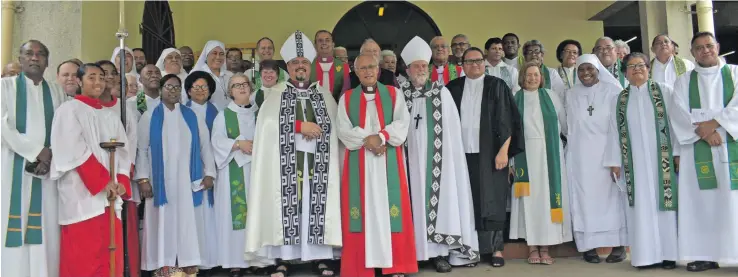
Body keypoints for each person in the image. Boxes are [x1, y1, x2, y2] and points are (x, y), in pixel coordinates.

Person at [245, 31, 341, 277]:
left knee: (314, 206)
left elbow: (335, 125)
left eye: (304, 62)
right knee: (288, 208)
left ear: (310, 66)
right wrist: (300, 127)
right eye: (295, 62)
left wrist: (317, 129)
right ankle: (284, 259)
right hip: (285, 167)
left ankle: (320, 258)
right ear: (287, 67)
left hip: (317, 164)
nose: (300, 66)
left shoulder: (324, 94)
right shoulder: (275, 94)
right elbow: (267, 127)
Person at [398, 36, 480, 272]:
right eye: (416, 66)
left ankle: (438, 254)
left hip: (439, 164)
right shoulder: (398, 94)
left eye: (424, 65)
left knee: (440, 204)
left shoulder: (441, 93)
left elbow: (453, 132)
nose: (421, 69)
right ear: (407, 69)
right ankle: (410, 254)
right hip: (407, 161)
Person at [338, 53, 416, 277]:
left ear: (379, 70)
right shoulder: (347, 98)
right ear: (356, 72)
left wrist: (381, 137)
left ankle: (395, 266)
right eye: (362, 68)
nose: (368, 71)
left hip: (388, 162)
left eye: (371, 66)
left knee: (390, 210)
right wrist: (369, 140)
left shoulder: (393, 94)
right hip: (360, 165)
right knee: (363, 211)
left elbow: (402, 123)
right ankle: (361, 267)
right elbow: (343, 130)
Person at [49, 63, 131, 277]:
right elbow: (73, 150)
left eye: (101, 78)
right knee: (84, 255)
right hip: (82, 195)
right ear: (79, 81)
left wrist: (120, 182)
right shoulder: (68, 110)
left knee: (110, 252)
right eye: (91, 77)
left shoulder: (111, 116)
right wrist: (103, 182)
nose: (98, 82)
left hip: (110, 196)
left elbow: (124, 151)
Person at [446, 47, 524, 268]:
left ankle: (497, 250)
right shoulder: (453, 88)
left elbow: (507, 120)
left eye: (479, 61)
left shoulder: (496, 85)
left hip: (492, 154)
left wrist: (504, 152)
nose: (475, 65)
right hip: (461, 155)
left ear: (484, 63)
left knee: (494, 200)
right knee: (468, 201)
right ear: (462, 65)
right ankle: (471, 250)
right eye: (469, 62)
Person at [603, 52, 680, 269]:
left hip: (660, 162)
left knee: (664, 207)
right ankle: (645, 256)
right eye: (632, 66)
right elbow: (613, 132)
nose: (637, 69)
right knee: (639, 209)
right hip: (634, 163)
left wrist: (677, 154)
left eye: (641, 65)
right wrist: (615, 161)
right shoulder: (619, 99)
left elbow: (676, 125)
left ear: (648, 68)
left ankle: (668, 255)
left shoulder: (664, 92)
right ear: (625, 72)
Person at [670, 32, 738, 272]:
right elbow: (677, 113)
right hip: (698, 150)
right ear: (692, 52)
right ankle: (705, 254)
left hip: (731, 147)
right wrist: (708, 133)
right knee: (702, 203)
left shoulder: (735, 73)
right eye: (699, 48)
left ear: (717, 47)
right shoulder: (683, 81)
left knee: (734, 202)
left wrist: (716, 125)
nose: (705, 50)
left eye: (709, 46)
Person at [136, 74, 216, 276]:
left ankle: (188, 262)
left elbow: (205, 146)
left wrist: (209, 173)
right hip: (159, 181)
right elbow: (142, 150)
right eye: (169, 87)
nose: (173, 91)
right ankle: (164, 263)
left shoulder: (191, 115)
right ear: (161, 89)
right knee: (162, 221)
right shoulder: (149, 116)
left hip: (187, 180)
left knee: (188, 220)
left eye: (176, 87)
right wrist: (143, 178)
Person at [1, 39, 66, 277]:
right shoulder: (4, 87)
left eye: (40, 54)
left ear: (47, 61)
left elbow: (63, 127)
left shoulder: (57, 90)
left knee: (47, 226)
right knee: (12, 221)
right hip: (12, 168)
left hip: (47, 173)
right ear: (20, 59)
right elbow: (3, 126)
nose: (35, 58)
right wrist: (37, 151)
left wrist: (49, 156)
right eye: (29, 53)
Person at [565, 54, 627, 264]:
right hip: (580, 157)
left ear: (598, 69)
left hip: (607, 155)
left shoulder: (613, 91)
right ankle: (588, 245)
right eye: (581, 70)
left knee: (612, 200)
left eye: (589, 69)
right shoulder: (571, 94)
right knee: (583, 201)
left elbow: (619, 127)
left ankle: (618, 245)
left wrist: (616, 158)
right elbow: (567, 126)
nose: (585, 73)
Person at [509, 62, 572, 265]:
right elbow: (510, 131)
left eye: (536, 74)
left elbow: (564, 125)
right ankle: (532, 247)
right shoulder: (515, 98)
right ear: (522, 77)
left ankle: (546, 247)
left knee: (547, 200)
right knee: (529, 202)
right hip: (524, 156)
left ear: (541, 77)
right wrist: (511, 160)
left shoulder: (551, 97)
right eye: (529, 74)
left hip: (549, 155)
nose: (533, 78)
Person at [212, 73, 274, 276]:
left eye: (244, 84)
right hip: (234, 171)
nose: (241, 88)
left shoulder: (262, 113)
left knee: (258, 213)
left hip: (258, 172)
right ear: (230, 92)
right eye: (236, 85)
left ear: (250, 87)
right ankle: (235, 261)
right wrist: (238, 144)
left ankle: (259, 260)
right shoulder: (223, 115)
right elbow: (217, 142)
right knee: (236, 216)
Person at [96, 59, 142, 276]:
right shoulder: (87, 107)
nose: (108, 77)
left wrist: (123, 171)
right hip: (96, 178)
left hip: (121, 175)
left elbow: (131, 142)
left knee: (124, 228)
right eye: (102, 73)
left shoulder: (123, 107)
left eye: (112, 73)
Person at [183, 70, 220, 274]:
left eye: (204, 87)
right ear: (188, 91)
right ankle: (194, 258)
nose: (200, 91)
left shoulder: (217, 112)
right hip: (189, 169)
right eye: (196, 87)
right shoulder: (182, 111)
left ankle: (211, 259)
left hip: (214, 168)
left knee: (211, 214)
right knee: (194, 215)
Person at [192, 40, 233, 110]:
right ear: (206, 55)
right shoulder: (196, 76)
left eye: (221, 54)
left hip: (229, 117)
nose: (218, 57)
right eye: (214, 53)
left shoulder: (230, 75)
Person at [311, 30, 350, 101]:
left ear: (333, 44)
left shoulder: (344, 67)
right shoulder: (308, 67)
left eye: (327, 40)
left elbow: (345, 92)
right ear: (315, 45)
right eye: (320, 41)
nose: (324, 43)